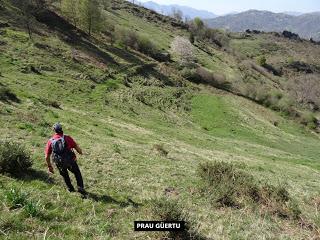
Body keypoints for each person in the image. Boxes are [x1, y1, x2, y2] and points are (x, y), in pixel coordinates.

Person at [45, 123, 86, 195]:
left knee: (65, 175)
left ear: (54, 130)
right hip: (70, 161)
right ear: (61, 129)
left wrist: (49, 166)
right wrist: (81, 152)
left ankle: (71, 189)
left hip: (59, 162)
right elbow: (77, 148)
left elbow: (47, 156)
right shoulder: (67, 138)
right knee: (77, 173)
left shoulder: (50, 141)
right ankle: (80, 188)